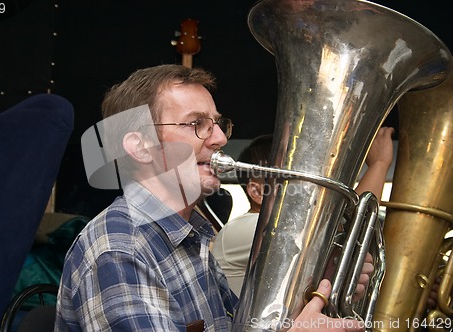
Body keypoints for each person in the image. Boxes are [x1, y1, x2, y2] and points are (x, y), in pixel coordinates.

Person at [55, 64, 367, 331]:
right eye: (197, 124)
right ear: (140, 147)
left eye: (218, 124)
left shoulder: (191, 235)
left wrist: (317, 286)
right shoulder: (118, 249)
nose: (220, 138)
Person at [211, 128, 394, 296]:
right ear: (257, 192)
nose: (310, 190)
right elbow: (341, 237)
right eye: (296, 182)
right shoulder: (242, 229)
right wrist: (379, 164)